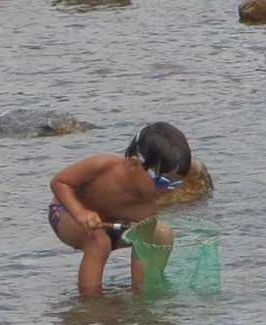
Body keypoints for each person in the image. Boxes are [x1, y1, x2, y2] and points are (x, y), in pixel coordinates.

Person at [48, 123, 192, 297]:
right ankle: (89, 302)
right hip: (67, 213)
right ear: (134, 163)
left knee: (162, 234)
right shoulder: (103, 166)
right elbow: (60, 182)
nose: (167, 190)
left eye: (175, 184)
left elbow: (142, 253)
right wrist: (80, 213)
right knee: (99, 241)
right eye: (163, 182)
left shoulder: (146, 210)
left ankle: (152, 286)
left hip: (113, 227)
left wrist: (140, 295)